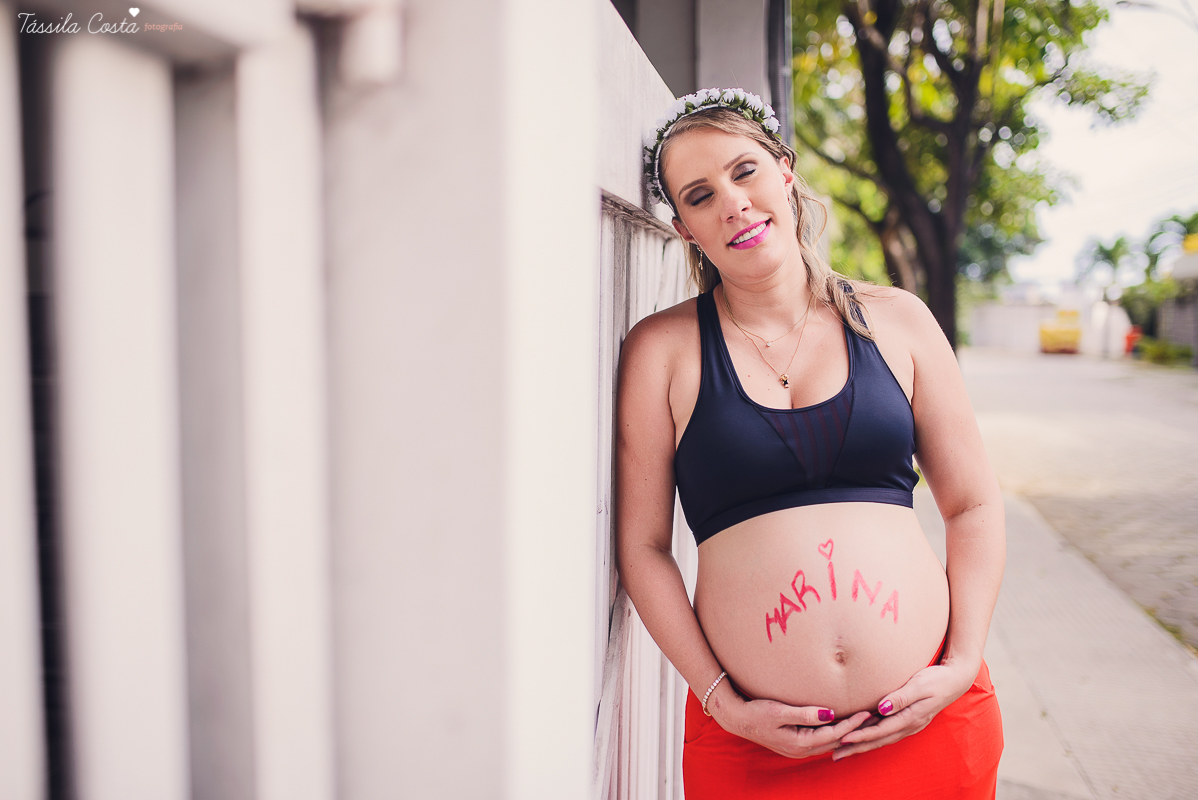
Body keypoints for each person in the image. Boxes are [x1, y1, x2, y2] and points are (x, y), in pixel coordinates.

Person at [615, 88, 1006, 799]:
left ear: (785, 172)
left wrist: (963, 660)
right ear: (683, 228)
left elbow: (974, 504)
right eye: (701, 195)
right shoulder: (662, 351)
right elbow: (642, 548)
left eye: (745, 171)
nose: (732, 203)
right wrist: (719, 699)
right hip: (755, 747)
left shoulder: (900, 322)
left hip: (929, 722)